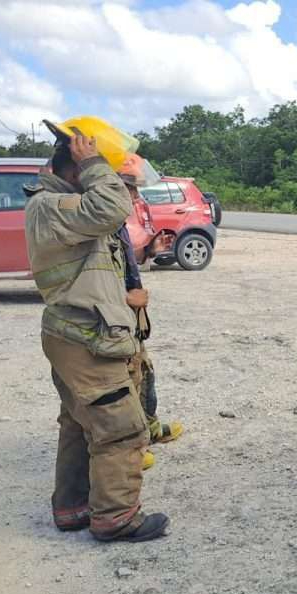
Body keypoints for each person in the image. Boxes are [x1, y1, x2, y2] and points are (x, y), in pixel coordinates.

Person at [24, 116, 169, 543]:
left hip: (80, 333)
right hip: (86, 338)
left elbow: (100, 262)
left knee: (77, 424)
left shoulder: (67, 207)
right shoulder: (52, 205)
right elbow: (111, 207)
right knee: (121, 427)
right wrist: (93, 164)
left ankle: (72, 508)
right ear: (79, 164)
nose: (119, 186)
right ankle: (116, 517)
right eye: (109, 172)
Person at [114, 154, 184, 471]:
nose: (136, 197)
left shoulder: (117, 226)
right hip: (113, 320)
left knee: (144, 374)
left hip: (128, 318)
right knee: (124, 386)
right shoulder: (97, 228)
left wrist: (148, 251)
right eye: (130, 189)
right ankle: (132, 448)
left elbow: (125, 264)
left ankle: (150, 431)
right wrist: (126, 299)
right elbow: (94, 282)